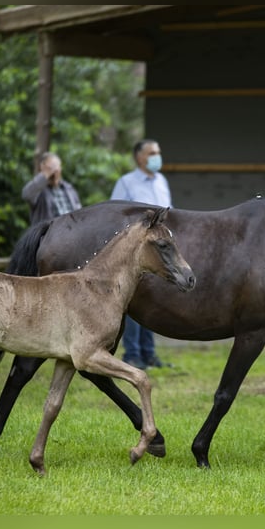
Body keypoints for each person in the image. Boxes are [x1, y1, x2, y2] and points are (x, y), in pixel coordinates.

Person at [110, 139, 173, 370]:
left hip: (158, 253)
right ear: (139, 157)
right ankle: (133, 354)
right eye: (152, 153)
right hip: (135, 251)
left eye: (158, 152)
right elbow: (115, 214)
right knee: (132, 303)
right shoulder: (126, 183)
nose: (157, 156)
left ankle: (149, 354)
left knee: (150, 302)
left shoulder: (162, 181)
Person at [21, 152, 82, 224]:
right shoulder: (38, 189)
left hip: (72, 231)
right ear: (42, 168)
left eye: (56, 166)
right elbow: (26, 195)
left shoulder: (69, 188)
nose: (54, 171)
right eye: (50, 167)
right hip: (50, 233)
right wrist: (45, 175)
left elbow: (79, 212)